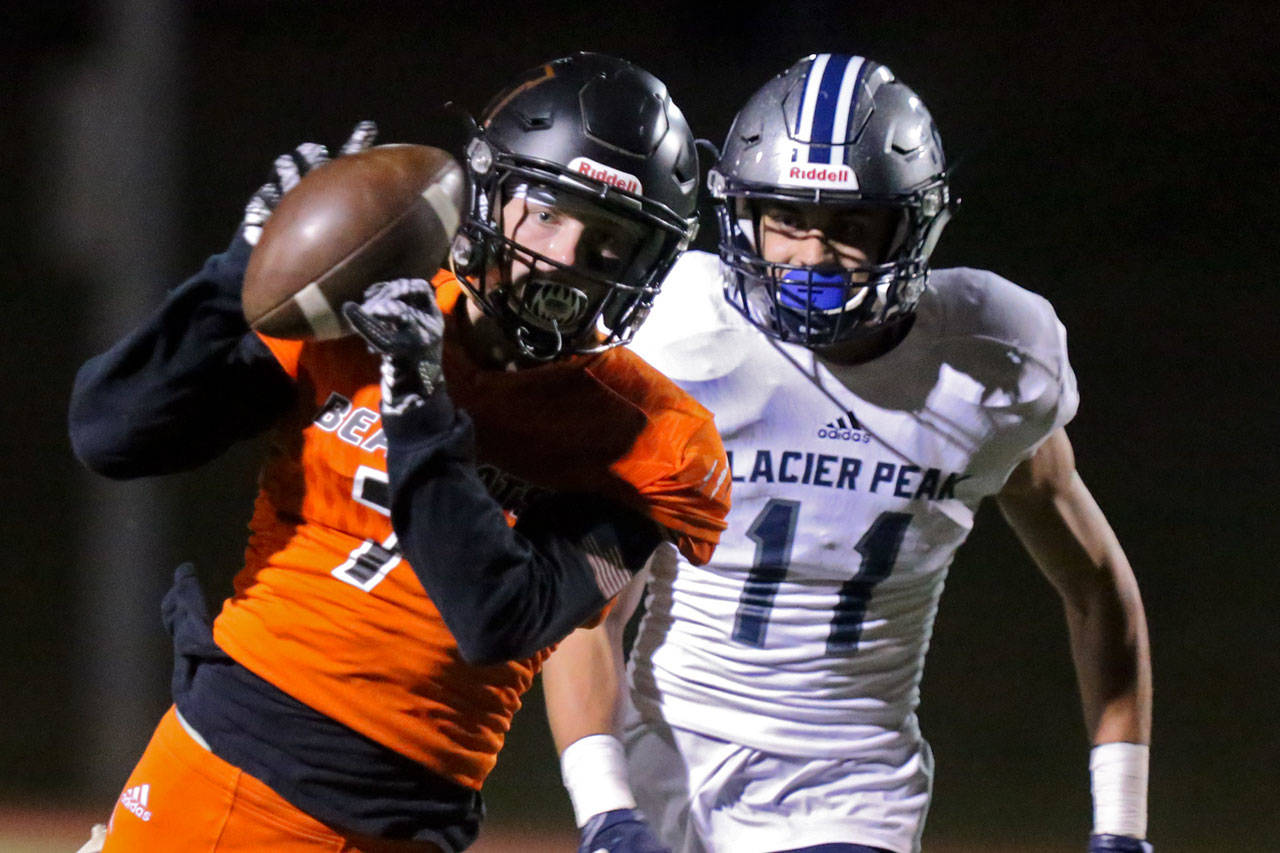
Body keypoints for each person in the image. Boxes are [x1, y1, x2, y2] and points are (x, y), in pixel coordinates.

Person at [68, 52, 729, 853]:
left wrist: (417, 395)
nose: (566, 257)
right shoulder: (365, 296)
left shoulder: (652, 435)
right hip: (228, 766)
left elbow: (497, 615)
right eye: (549, 213)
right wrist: (242, 268)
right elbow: (112, 431)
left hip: (417, 819)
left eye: (611, 243)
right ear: (491, 193)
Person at [542, 54, 1153, 853]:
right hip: (665, 756)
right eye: (788, 217)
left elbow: (1096, 586)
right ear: (742, 211)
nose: (811, 256)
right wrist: (607, 808)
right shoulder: (677, 337)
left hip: (849, 790)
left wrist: (1121, 821)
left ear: (914, 226)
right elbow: (588, 602)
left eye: (850, 227)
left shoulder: (994, 360)